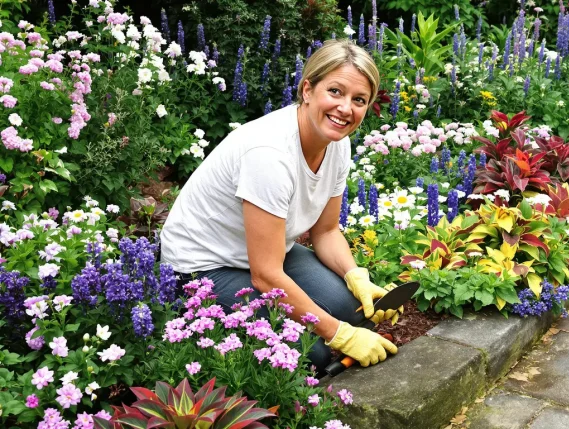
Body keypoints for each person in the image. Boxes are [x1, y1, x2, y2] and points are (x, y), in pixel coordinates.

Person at [160, 39, 400, 374]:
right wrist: (341, 336)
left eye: (358, 100)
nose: (346, 108)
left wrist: (355, 275)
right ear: (307, 90)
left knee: (349, 307)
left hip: (264, 253)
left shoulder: (337, 144)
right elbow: (266, 275)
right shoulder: (269, 154)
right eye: (335, 91)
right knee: (310, 350)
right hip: (204, 265)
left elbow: (327, 230)